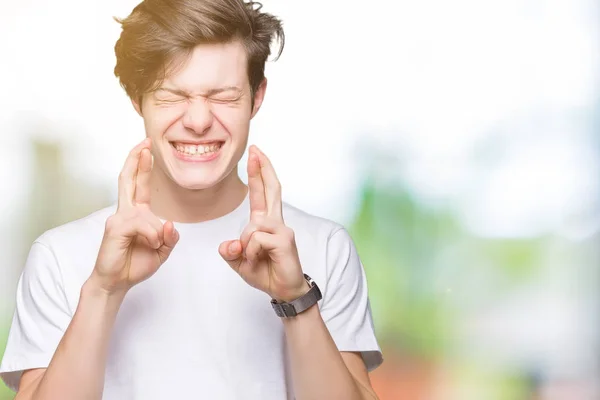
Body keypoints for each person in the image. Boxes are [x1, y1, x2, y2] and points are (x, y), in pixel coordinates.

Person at [0, 0, 383, 399]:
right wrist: (102, 292)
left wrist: (296, 298)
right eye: (171, 95)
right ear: (137, 98)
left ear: (256, 97)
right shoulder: (60, 257)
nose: (198, 122)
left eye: (223, 97)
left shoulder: (322, 248)